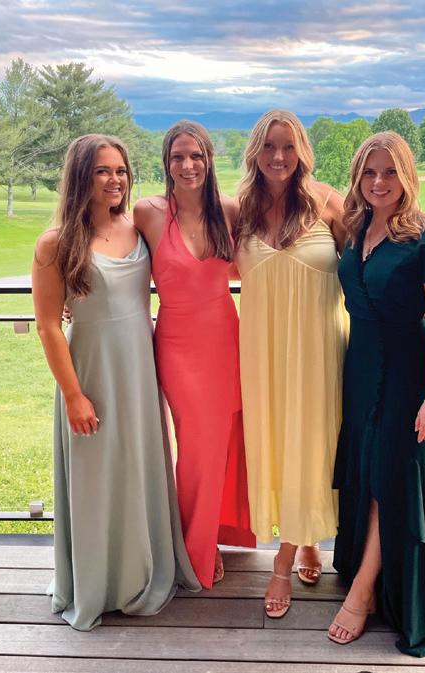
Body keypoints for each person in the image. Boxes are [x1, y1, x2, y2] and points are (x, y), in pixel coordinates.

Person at [32, 134, 200, 630]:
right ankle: (97, 582)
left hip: (140, 367)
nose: (115, 179)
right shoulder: (55, 242)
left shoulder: (137, 226)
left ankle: (141, 570)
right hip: (92, 370)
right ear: (80, 177)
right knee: (97, 474)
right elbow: (47, 326)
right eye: (102, 170)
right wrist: (74, 395)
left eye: (121, 170)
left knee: (139, 466)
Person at [329, 131, 425, 656]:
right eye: (369, 172)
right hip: (361, 370)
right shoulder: (354, 227)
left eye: (389, 172)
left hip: (410, 374)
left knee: (393, 479)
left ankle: (363, 592)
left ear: (406, 175)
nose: (379, 181)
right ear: (358, 178)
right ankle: (372, 576)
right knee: (367, 472)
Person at [234, 109, 348, 618]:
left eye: (287, 146)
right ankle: (307, 540)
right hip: (262, 352)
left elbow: (376, 249)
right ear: (255, 151)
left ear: (302, 151)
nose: (278, 157)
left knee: (313, 444)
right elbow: (190, 254)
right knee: (278, 446)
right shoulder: (239, 209)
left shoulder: (328, 202)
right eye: (268, 146)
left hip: (319, 349)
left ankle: (284, 561)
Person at [134, 120, 255, 589]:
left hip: (227, 340)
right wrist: (71, 292)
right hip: (178, 345)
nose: (188, 165)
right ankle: (193, 548)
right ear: (166, 163)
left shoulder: (231, 210)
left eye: (196, 155)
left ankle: (214, 534)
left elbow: (261, 260)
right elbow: (103, 244)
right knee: (197, 449)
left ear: (209, 160)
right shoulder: (148, 213)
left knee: (224, 442)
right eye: (178, 157)